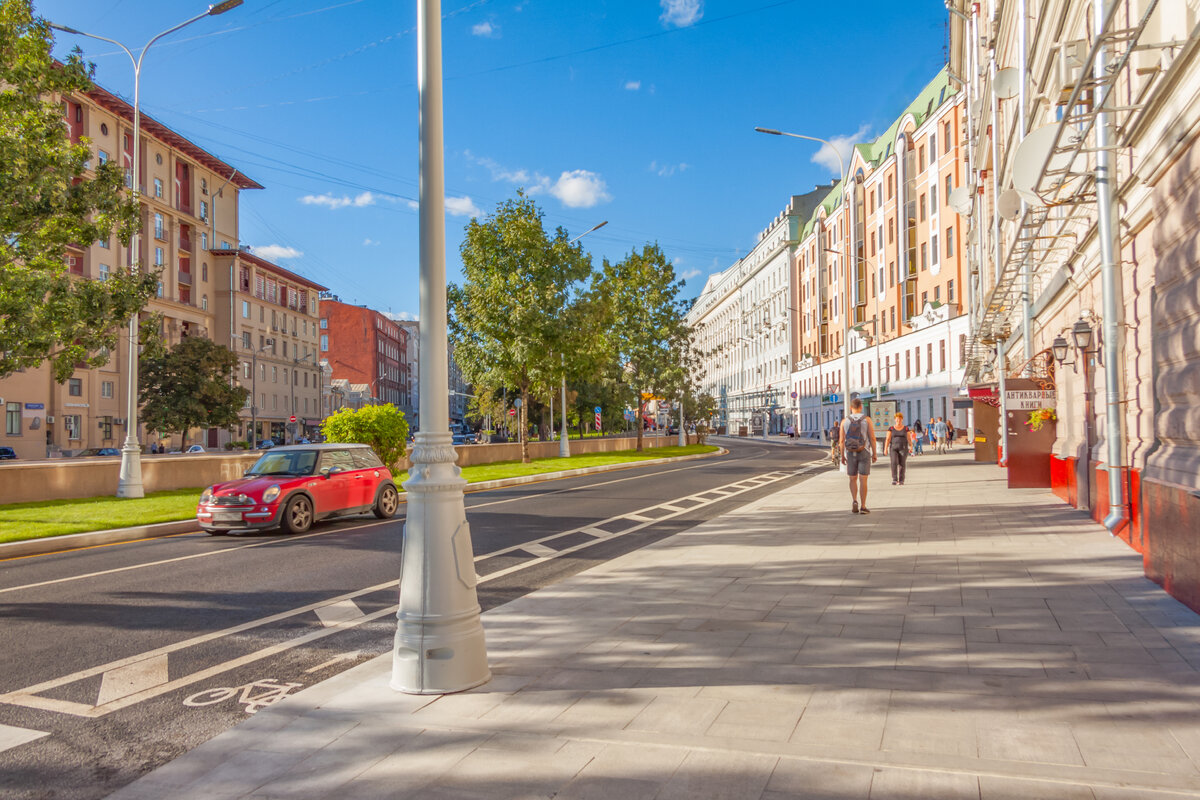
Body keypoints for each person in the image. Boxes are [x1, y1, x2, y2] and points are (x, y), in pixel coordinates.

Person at [840, 399, 877, 514]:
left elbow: (841, 441)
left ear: (851, 408)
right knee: (863, 479)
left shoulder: (844, 421)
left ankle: (854, 500)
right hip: (864, 451)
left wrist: (842, 455)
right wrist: (874, 453)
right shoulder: (867, 420)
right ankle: (864, 506)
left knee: (852, 478)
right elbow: (872, 438)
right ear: (861, 407)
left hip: (850, 452)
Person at [884, 411, 912, 485]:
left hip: (903, 448)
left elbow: (909, 438)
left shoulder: (906, 428)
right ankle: (894, 479)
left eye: (900, 419)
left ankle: (901, 480)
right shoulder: (891, 428)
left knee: (902, 464)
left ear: (902, 419)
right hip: (893, 448)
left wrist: (911, 446)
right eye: (897, 419)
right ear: (895, 419)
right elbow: (888, 439)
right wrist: (885, 448)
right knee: (894, 462)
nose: (898, 420)